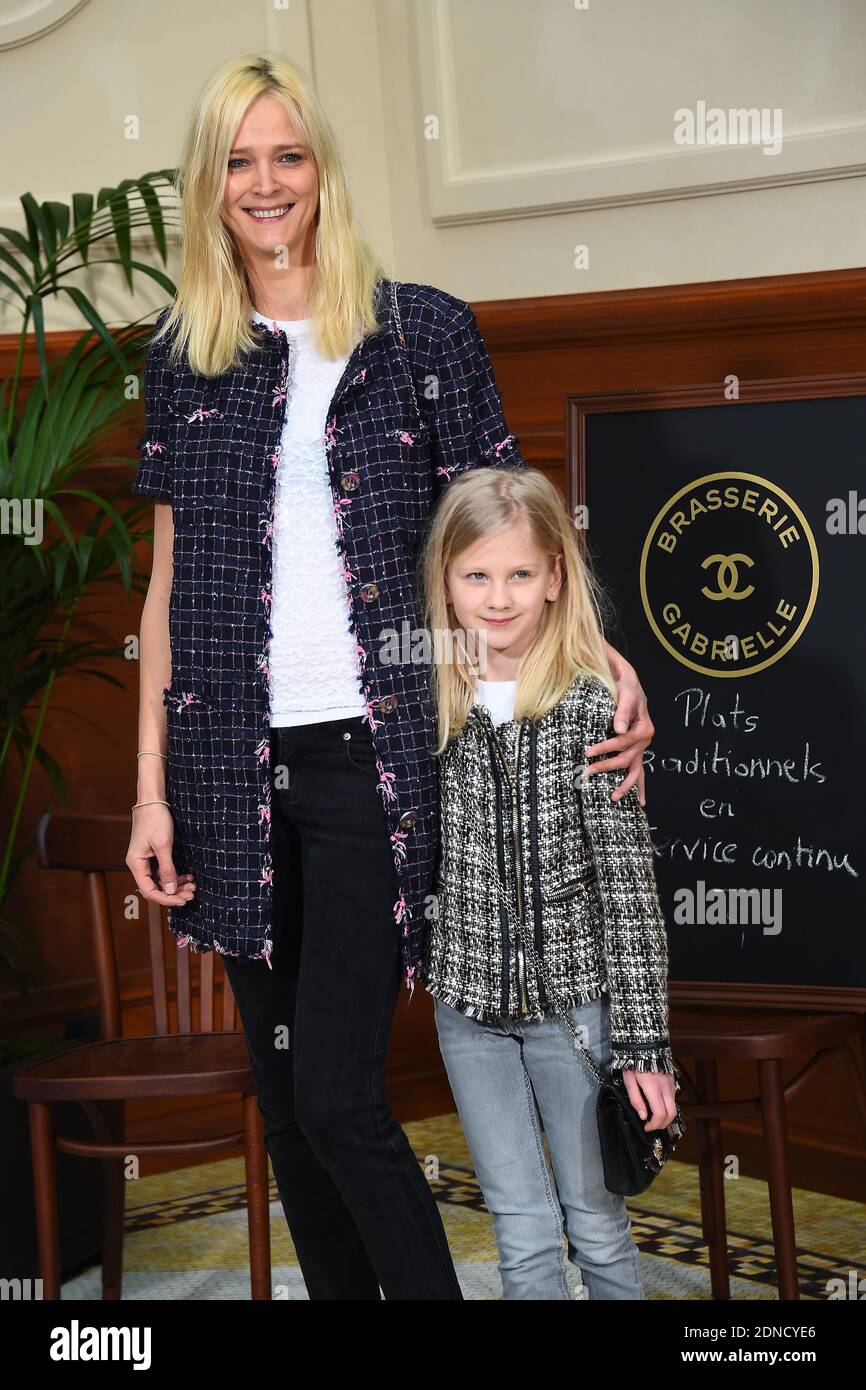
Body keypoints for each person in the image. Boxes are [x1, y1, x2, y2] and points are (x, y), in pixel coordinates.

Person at [126, 51, 656, 1300]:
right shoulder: (181, 358)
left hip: (374, 762)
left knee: (339, 1094)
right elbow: (160, 590)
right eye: (239, 162)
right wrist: (149, 790)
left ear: (322, 171)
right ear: (210, 185)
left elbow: (509, 527)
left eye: (288, 157)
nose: (266, 185)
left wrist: (604, 656)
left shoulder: (419, 328)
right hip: (224, 768)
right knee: (287, 1107)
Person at [419, 465, 680, 1300]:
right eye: (477, 576)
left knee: (597, 1222)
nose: (499, 598)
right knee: (520, 1228)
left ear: (556, 576)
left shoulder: (590, 705)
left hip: (578, 1007)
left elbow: (631, 897)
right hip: (468, 1011)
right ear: (447, 582)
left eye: (521, 574)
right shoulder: (426, 699)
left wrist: (644, 1049)